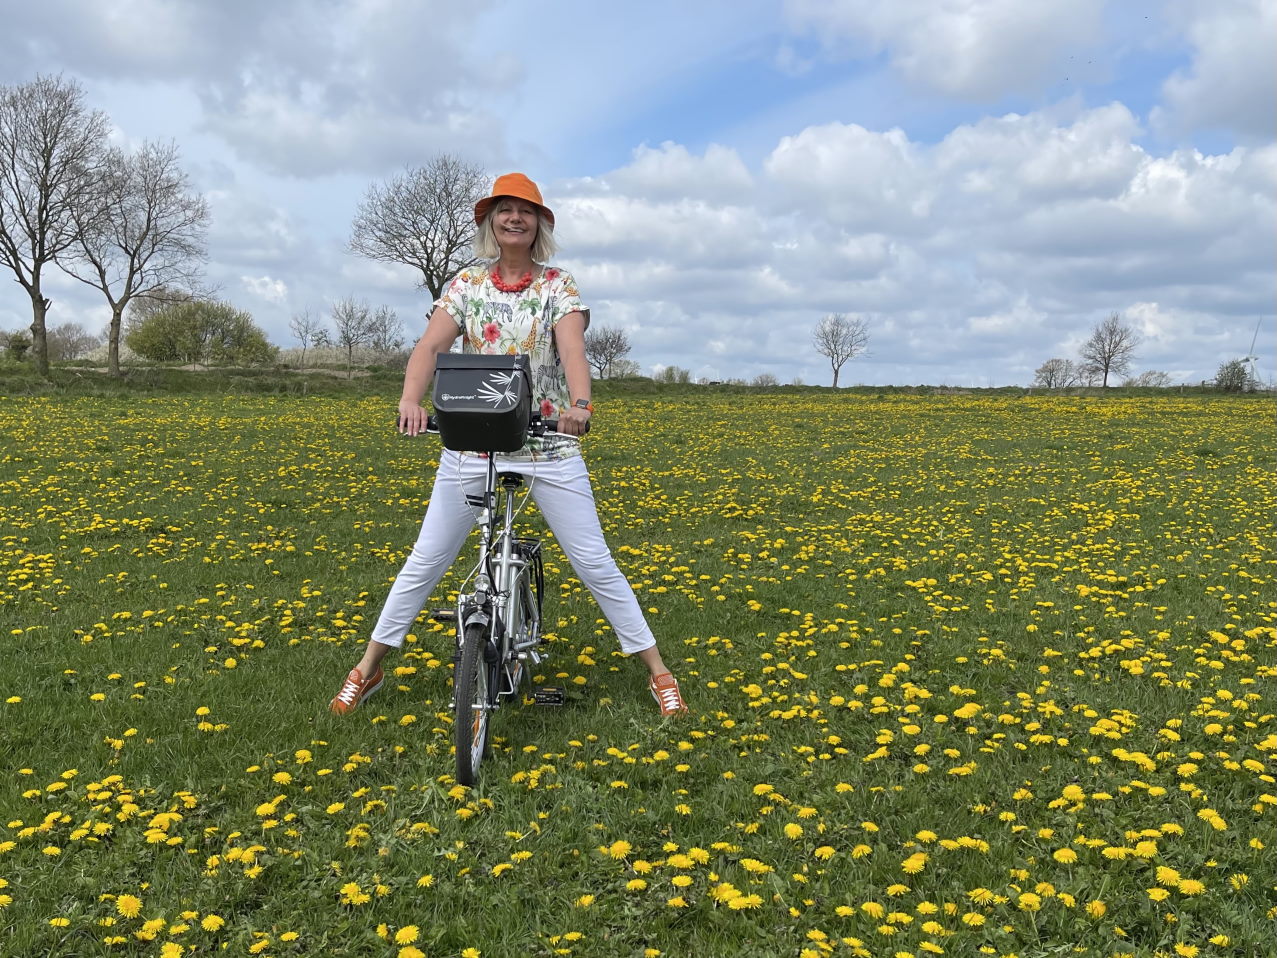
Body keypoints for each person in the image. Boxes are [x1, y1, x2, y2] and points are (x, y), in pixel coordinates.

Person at [330, 172, 688, 717]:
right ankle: (368, 668)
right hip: (472, 442)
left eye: (525, 211)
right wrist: (410, 399)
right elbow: (430, 346)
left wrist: (580, 407)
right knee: (426, 560)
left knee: (594, 561)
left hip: (547, 442)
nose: (514, 218)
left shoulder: (558, 285)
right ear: (490, 222)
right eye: (504, 210)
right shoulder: (466, 284)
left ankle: (659, 674)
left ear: (539, 223)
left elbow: (572, 352)